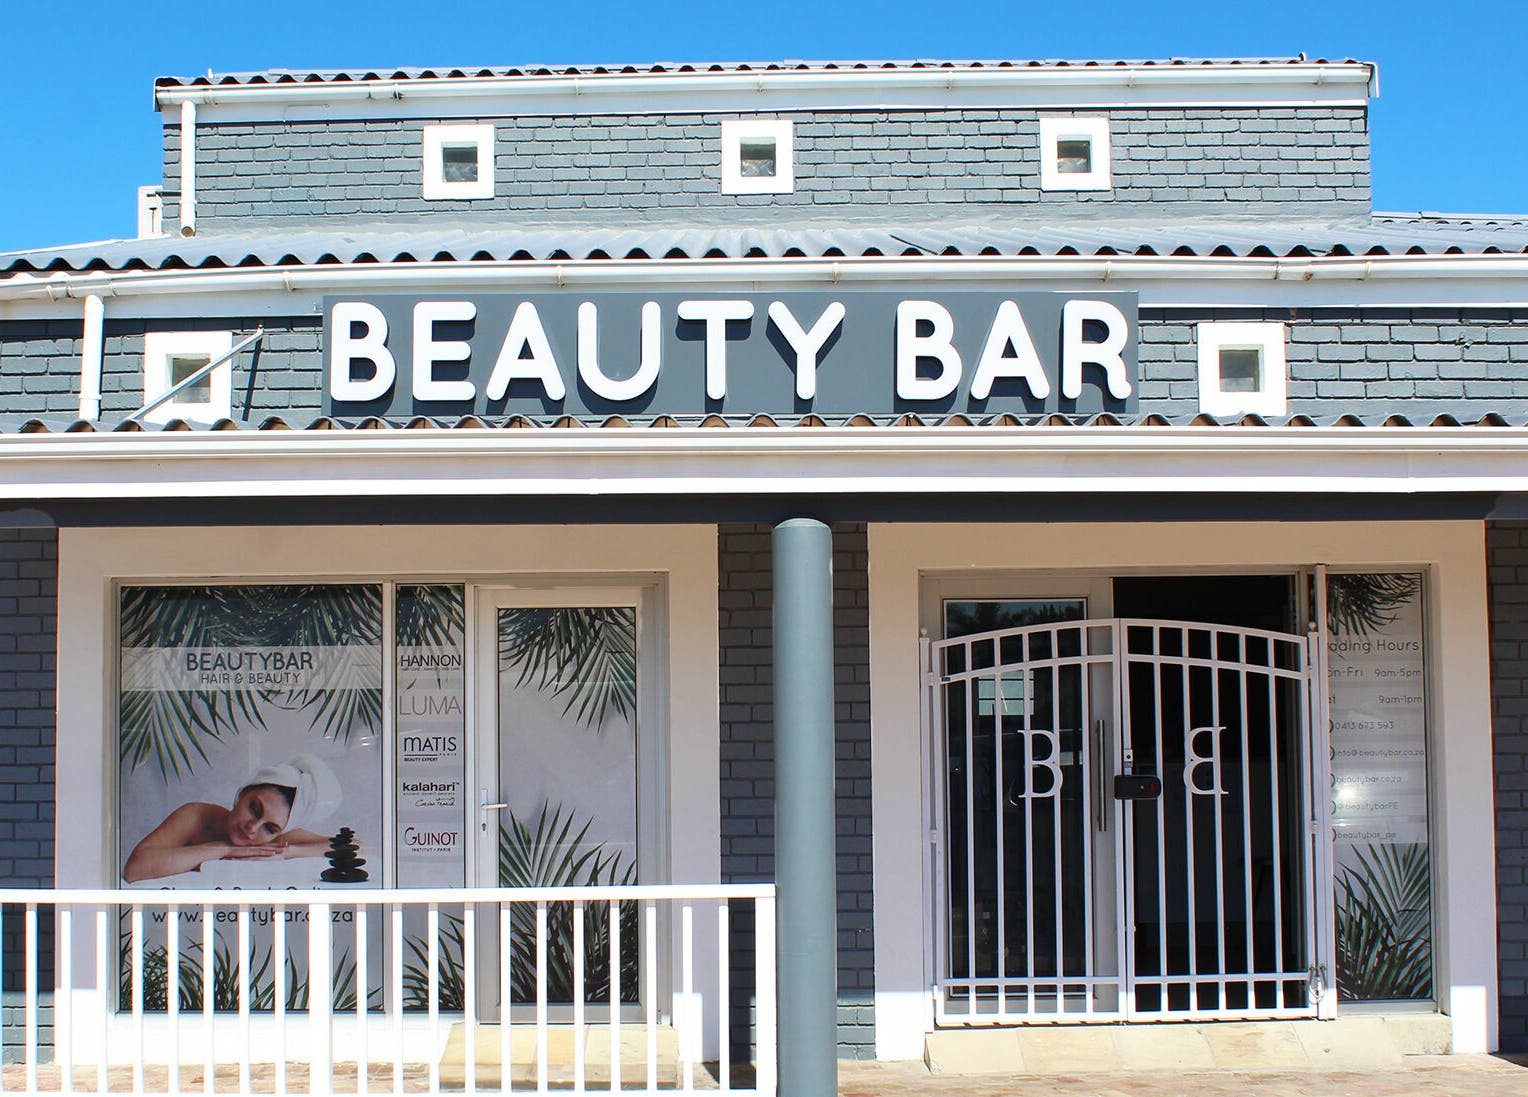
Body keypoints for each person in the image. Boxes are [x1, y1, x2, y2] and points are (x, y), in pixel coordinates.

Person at [123, 755, 340, 883]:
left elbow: (359, 847)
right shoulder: (195, 816)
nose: (253, 827)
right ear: (241, 794)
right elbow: (135, 869)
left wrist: (287, 852)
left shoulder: (274, 840)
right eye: (254, 809)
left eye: (270, 828)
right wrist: (222, 849)